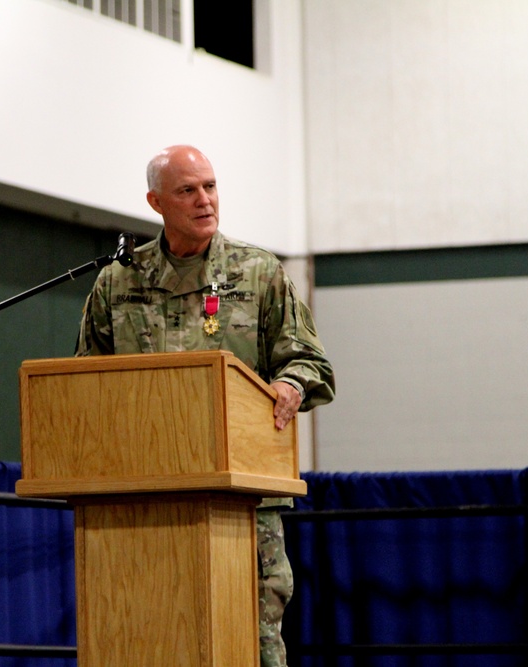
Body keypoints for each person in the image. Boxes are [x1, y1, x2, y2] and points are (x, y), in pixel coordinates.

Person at [75, 144, 335, 666]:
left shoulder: (258, 273)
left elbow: (310, 363)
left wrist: (289, 386)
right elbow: (87, 384)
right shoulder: (117, 281)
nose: (204, 200)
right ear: (155, 201)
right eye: (187, 190)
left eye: (210, 187)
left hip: (243, 501)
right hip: (140, 499)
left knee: (253, 641)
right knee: (146, 633)